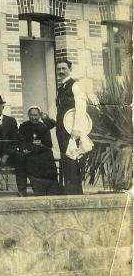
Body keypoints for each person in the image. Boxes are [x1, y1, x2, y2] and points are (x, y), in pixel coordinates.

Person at [55, 60, 91, 195]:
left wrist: (77, 129)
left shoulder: (75, 85)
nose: (61, 71)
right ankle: (69, 190)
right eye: (58, 69)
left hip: (72, 131)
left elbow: (81, 109)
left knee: (73, 159)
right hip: (62, 130)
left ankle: (75, 192)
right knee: (66, 158)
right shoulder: (61, 87)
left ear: (70, 69)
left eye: (64, 68)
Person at [0, 94, 27, 197]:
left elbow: (15, 140)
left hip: (9, 152)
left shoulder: (11, 121)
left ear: (3, 107)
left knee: (20, 157)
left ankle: (22, 189)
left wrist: (6, 154)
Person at [19, 106, 60, 196]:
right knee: (31, 162)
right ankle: (38, 188)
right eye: (31, 115)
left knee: (48, 158)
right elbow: (21, 141)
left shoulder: (44, 126)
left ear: (39, 116)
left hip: (42, 152)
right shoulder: (24, 126)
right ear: (28, 115)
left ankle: (50, 188)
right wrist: (24, 149)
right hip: (30, 152)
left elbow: (49, 144)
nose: (34, 118)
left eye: (36, 115)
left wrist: (41, 144)